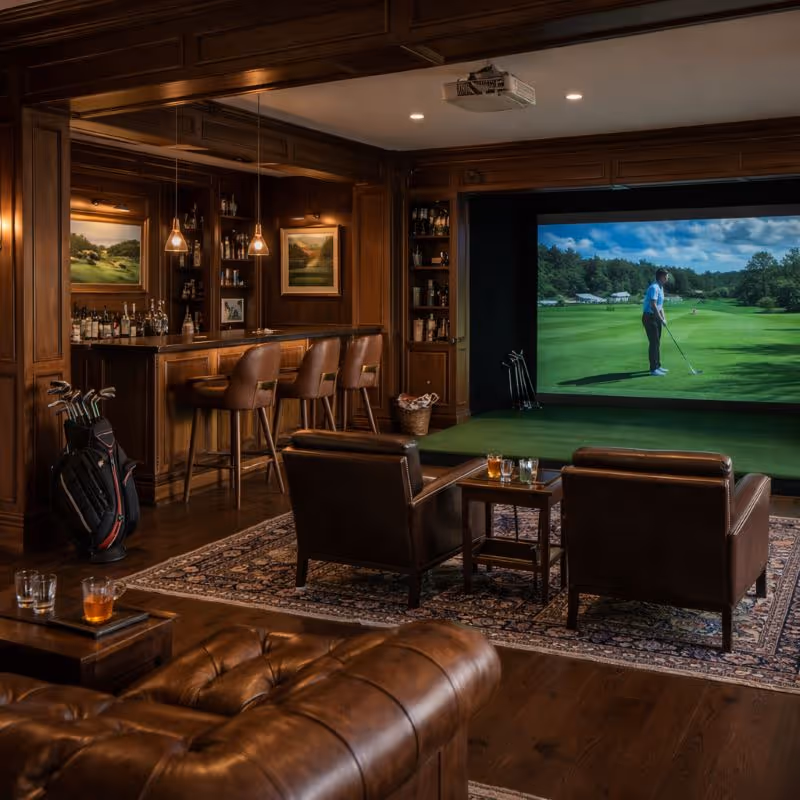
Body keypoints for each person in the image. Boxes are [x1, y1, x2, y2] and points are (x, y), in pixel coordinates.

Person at [642, 269, 669, 376]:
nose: (668, 278)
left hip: (655, 317)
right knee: (654, 343)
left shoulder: (661, 287)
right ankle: (653, 369)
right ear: (661, 277)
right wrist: (660, 318)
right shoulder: (654, 287)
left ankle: (658, 366)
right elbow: (653, 305)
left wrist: (664, 318)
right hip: (649, 317)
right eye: (667, 276)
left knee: (657, 342)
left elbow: (660, 306)